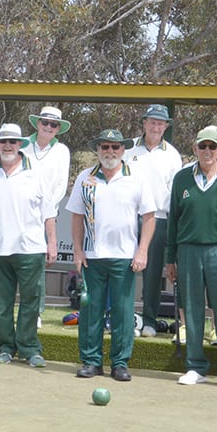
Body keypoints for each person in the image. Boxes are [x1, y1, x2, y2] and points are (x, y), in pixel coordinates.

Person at [164, 125, 217, 390]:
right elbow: (174, 221)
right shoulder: (181, 178)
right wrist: (171, 258)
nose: (207, 151)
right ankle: (194, 366)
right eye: (202, 146)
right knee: (191, 309)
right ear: (195, 148)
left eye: (213, 146)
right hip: (188, 250)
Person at [67, 129, 156, 382]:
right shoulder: (85, 178)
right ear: (98, 150)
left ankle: (120, 363)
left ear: (123, 150)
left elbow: (149, 217)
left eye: (115, 147)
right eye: (105, 147)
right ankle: (91, 361)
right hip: (93, 256)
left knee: (123, 312)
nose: (110, 152)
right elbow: (76, 216)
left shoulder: (136, 177)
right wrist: (77, 249)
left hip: (126, 257)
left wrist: (142, 250)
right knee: (90, 311)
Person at [0, 123, 58, 367]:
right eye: (3, 141)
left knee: (31, 299)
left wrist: (52, 242)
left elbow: (48, 211)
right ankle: (4, 347)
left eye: (13, 141)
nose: (8, 145)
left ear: (20, 145)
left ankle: (29, 348)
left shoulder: (36, 169)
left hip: (30, 247)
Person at [124, 104, 185, 337]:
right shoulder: (128, 149)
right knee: (125, 269)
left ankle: (149, 320)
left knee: (151, 274)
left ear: (166, 126)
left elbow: (174, 194)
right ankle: (124, 318)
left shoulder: (172, 155)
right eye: (152, 122)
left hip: (159, 219)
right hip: (128, 217)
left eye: (160, 123)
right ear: (144, 123)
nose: (156, 126)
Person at [26, 106, 72, 325]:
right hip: (19, 213)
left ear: (58, 129)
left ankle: (36, 311)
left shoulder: (62, 151)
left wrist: (47, 211)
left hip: (46, 215)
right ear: (38, 123)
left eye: (53, 125)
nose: (48, 127)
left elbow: (60, 186)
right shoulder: (22, 145)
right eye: (45, 122)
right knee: (12, 261)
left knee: (37, 263)